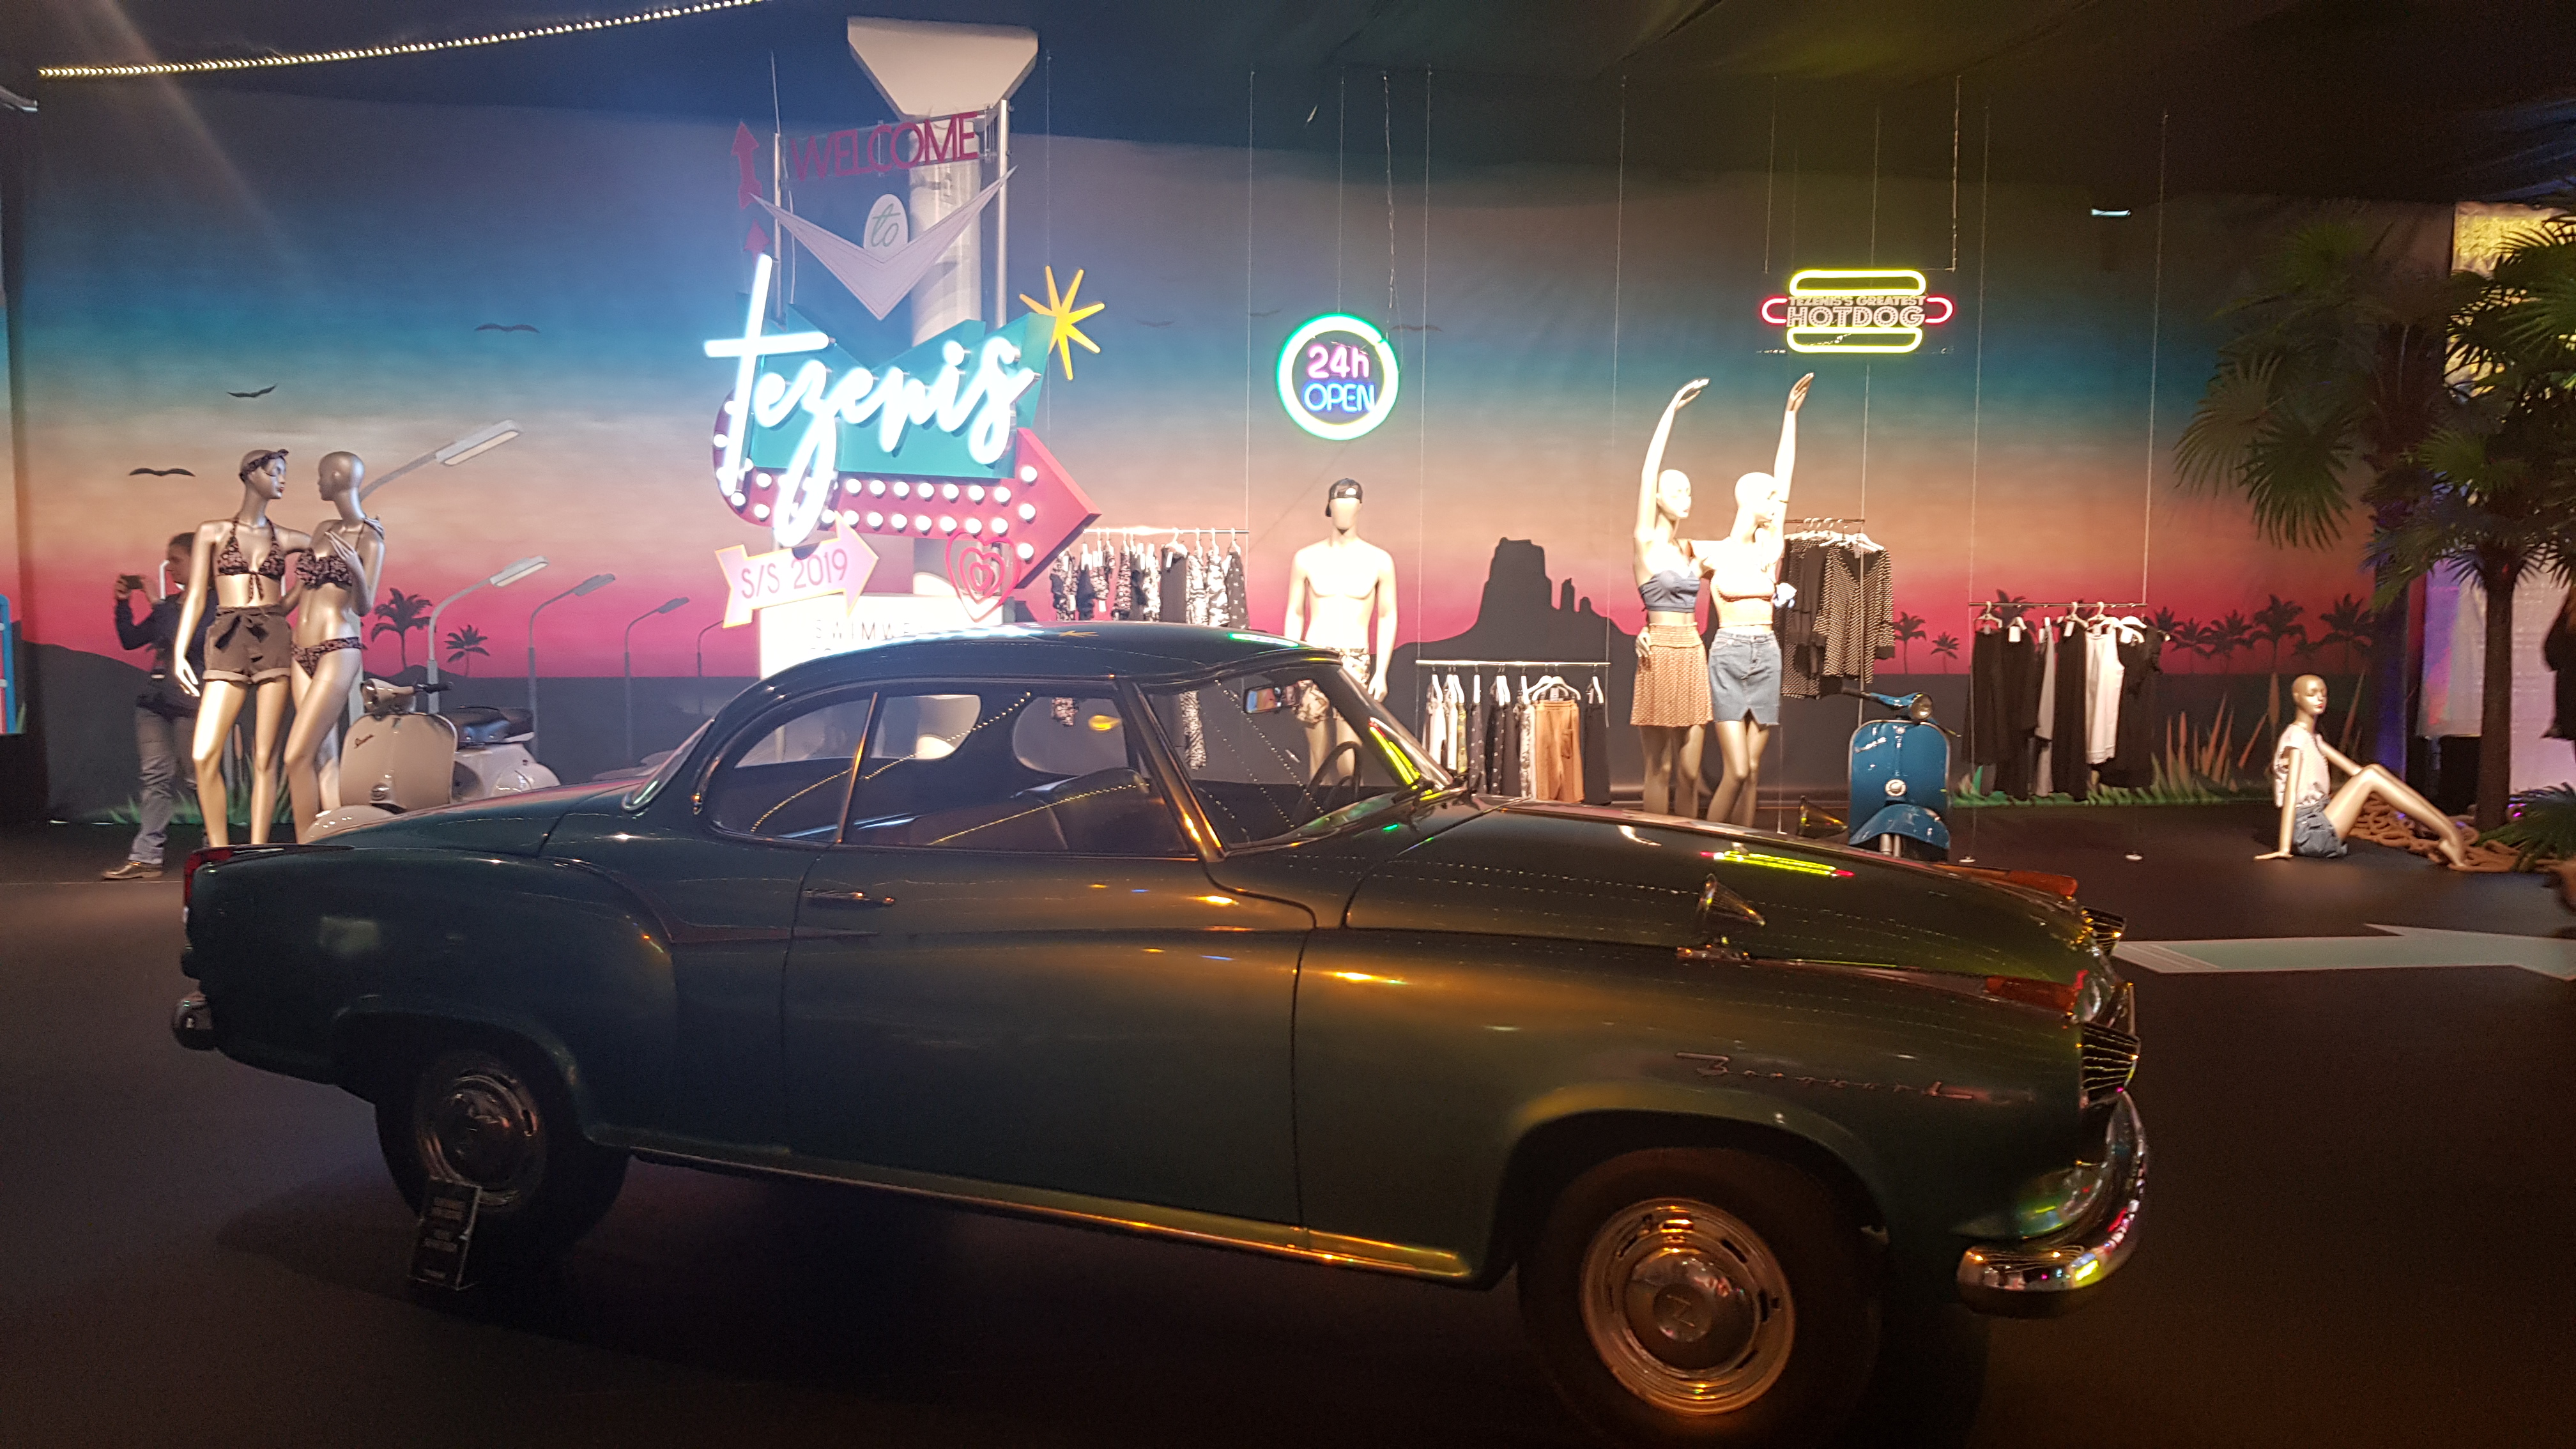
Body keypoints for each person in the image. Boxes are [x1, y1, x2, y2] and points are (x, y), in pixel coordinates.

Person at [2258, 673, 2469, 867]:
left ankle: (2445, 830)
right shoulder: (2295, 739)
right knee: (2370, 776)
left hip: (2320, 817)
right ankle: (2450, 835)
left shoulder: (2313, 738)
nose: (2320, 698)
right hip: (2309, 833)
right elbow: (2291, 795)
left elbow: (2356, 771)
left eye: (2323, 693)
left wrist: (2412, 813)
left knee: (2373, 770)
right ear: (2297, 698)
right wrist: (2284, 848)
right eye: (2312, 694)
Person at [103, 534, 203, 880]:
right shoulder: (171, 605)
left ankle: (215, 847)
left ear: (199, 561)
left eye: (176, 560)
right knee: (155, 777)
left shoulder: (212, 604)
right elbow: (131, 640)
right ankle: (146, 856)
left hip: (191, 702)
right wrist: (122, 605)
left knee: (198, 779)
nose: (170, 568)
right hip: (154, 702)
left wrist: (157, 602)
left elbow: (185, 638)